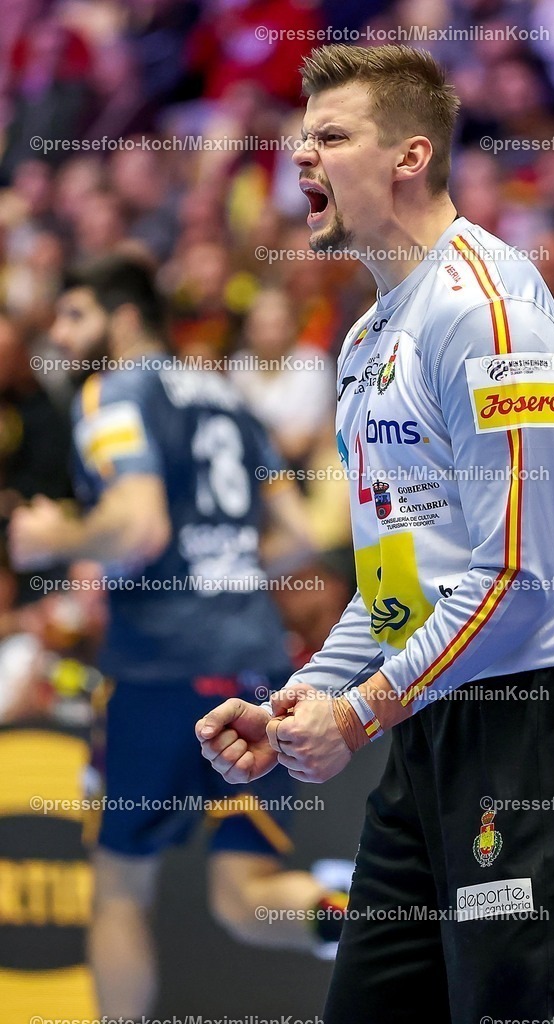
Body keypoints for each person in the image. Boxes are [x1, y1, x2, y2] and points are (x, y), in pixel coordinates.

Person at [196, 44, 554, 1023]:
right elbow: (396, 582)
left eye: (327, 136)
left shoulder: (486, 316)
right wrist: (307, 696)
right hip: (431, 725)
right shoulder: (364, 339)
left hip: (536, 729)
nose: (297, 159)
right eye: (297, 138)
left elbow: (515, 576)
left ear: (408, 155)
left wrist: (359, 710)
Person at [8, 257, 347, 1020]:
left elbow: (139, 525)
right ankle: (372, 919)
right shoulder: (226, 395)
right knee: (242, 896)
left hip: (160, 672)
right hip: (254, 667)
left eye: (75, 317)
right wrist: (215, 572)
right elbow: (296, 534)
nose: (60, 335)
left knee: (121, 886)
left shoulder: (113, 391)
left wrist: (53, 534)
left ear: (122, 319)